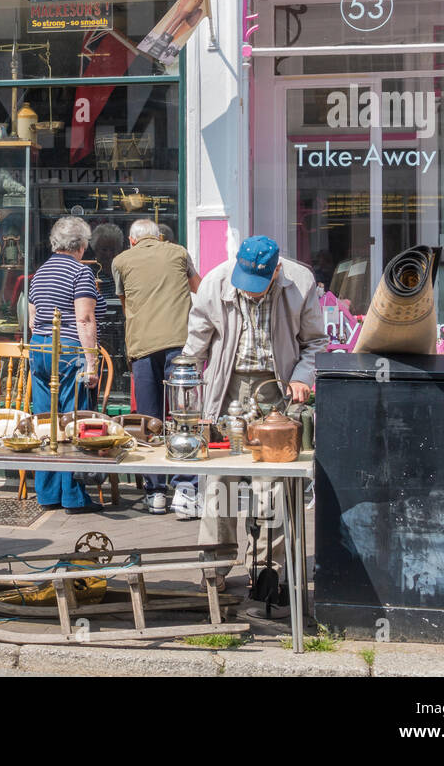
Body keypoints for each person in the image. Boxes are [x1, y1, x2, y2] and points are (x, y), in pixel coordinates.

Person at [182, 235, 326, 615]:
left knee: (272, 487)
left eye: (260, 287)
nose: (254, 294)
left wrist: (302, 377)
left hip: (276, 390)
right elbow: (195, 345)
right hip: (229, 387)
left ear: (276, 271)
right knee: (219, 482)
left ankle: (267, 571)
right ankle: (213, 568)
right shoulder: (215, 282)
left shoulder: (301, 282)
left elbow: (316, 344)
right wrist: (190, 394)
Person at [112, 218, 201, 516]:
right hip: (179, 343)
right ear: (159, 237)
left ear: (131, 240)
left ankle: (156, 492)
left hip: (143, 346)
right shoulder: (179, 252)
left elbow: (125, 306)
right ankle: (186, 488)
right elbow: (198, 289)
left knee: (149, 422)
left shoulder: (121, 261)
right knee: (182, 416)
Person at [27, 217, 106, 514]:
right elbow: (84, 319)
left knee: (46, 420)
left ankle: (47, 493)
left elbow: (33, 319)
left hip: (40, 347)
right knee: (73, 420)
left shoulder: (41, 272)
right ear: (82, 245)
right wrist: (91, 362)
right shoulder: (81, 272)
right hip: (69, 348)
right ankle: (74, 496)